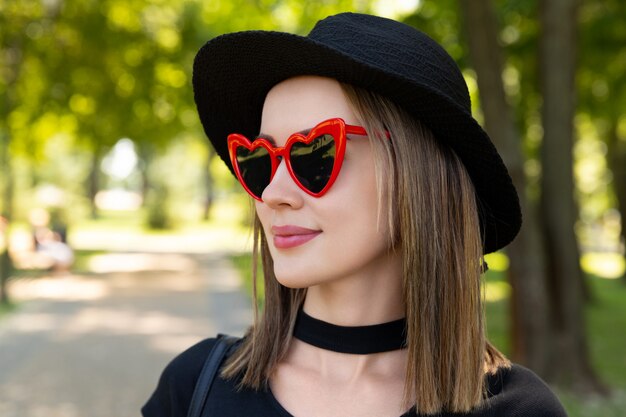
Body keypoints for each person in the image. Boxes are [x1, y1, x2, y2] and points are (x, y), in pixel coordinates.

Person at [143, 12, 567, 417]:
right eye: (260, 160)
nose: (272, 192)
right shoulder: (193, 389)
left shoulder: (520, 412)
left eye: (313, 153)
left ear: (417, 174)